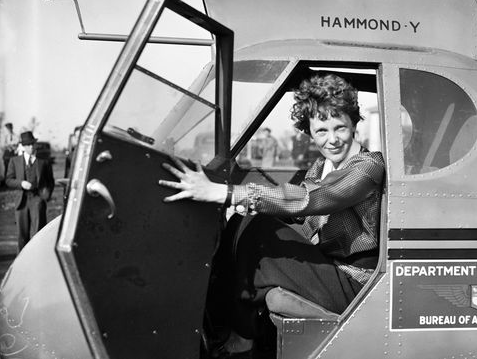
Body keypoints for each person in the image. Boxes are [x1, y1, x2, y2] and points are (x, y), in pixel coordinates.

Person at [159, 74, 385, 358]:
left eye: (340, 127)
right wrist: (250, 206)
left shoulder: (367, 167)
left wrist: (227, 193)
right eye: (322, 131)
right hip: (330, 267)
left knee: (260, 230)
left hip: (356, 283)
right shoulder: (321, 166)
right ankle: (214, 327)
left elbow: (311, 198)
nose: (333, 139)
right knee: (246, 221)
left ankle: (242, 339)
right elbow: (302, 214)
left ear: (354, 124)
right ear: (310, 132)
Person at [5, 131, 55, 252]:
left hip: (37, 199)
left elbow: (50, 181)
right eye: (28, 145)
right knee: (22, 236)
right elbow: (8, 180)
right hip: (21, 201)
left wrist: (45, 196)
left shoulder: (43, 162)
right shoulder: (15, 161)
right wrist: (21, 183)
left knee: (39, 234)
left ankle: (38, 261)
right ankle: (21, 264)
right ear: (23, 146)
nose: (31, 147)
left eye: (32, 144)